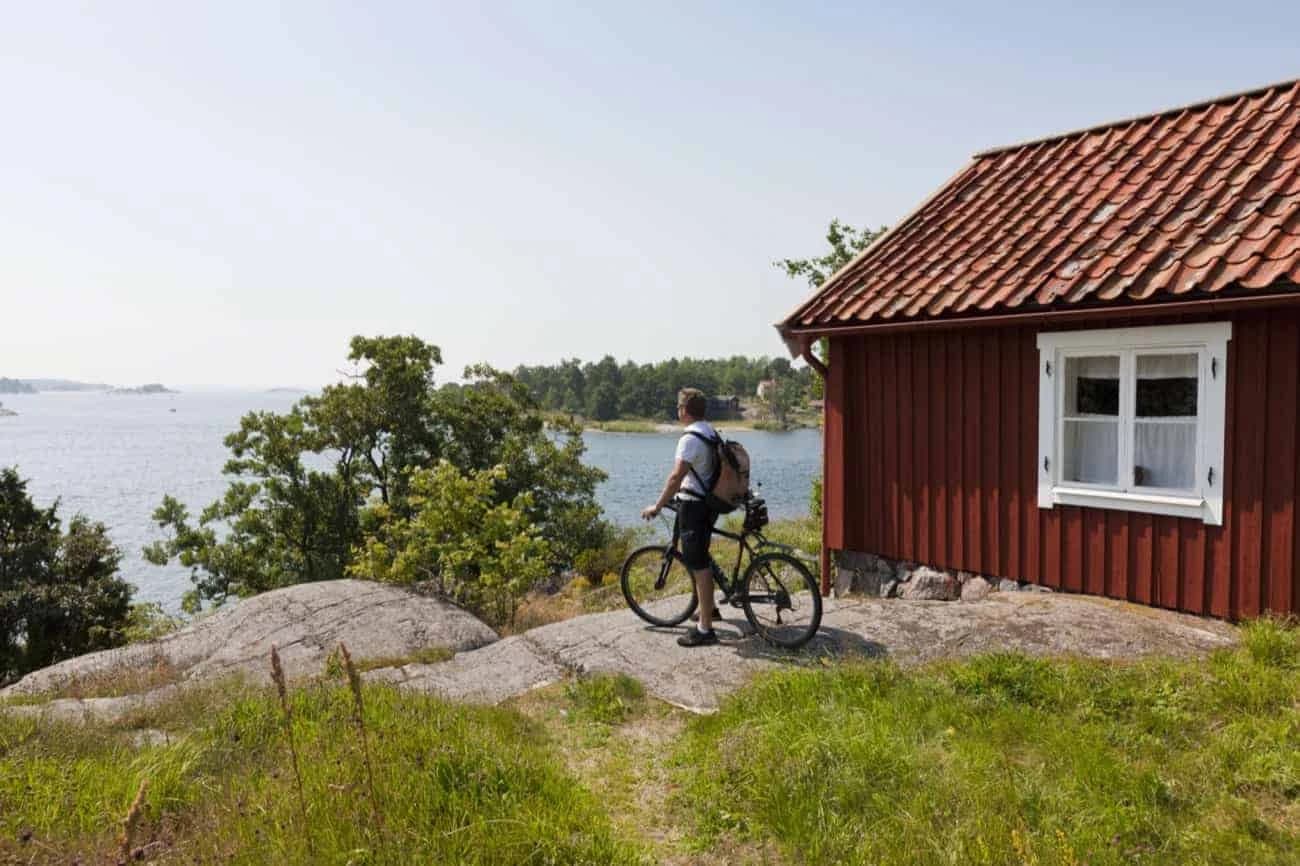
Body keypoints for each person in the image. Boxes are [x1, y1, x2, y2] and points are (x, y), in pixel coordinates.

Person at [641, 388, 722, 647]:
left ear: (685, 410)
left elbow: (676, 477)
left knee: (698, 565)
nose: (677, 411)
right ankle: (710, 608)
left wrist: (657, 505)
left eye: (678, 406)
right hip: (708, 504)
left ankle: (705, 629)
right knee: (701, 556)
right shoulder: (709, 431)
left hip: (694, 507)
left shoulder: (689, 439)